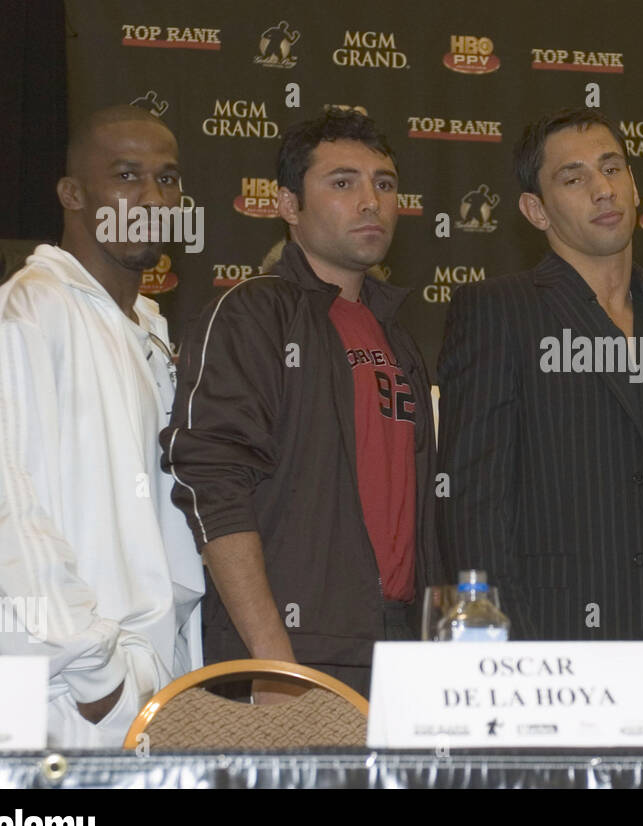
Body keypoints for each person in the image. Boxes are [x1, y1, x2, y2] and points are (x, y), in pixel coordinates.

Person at [436, 108, 643, 741]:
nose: (603, 189)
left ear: (637, 185)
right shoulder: (499, 312)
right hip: (555, 649)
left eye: (613, 168)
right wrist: (510, 660)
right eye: (574, 177)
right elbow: (471, 506)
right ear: (536, 211)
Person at [0, 105, 203, 747]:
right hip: (62, 715)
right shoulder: (25, 317)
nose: (151, 197)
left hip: (153, 699)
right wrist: (95, 681)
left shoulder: (146, 331)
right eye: (126, 174)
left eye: (167, 179)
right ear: (72, 194)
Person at [161, 110, 441, 700]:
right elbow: (211, 483)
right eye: (343, 183)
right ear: (288, 206)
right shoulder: (251, 314)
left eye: (384, 184)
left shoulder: (398, 336)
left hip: (400, 649)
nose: (371, 201)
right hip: (291, 652)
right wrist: (274, 662)